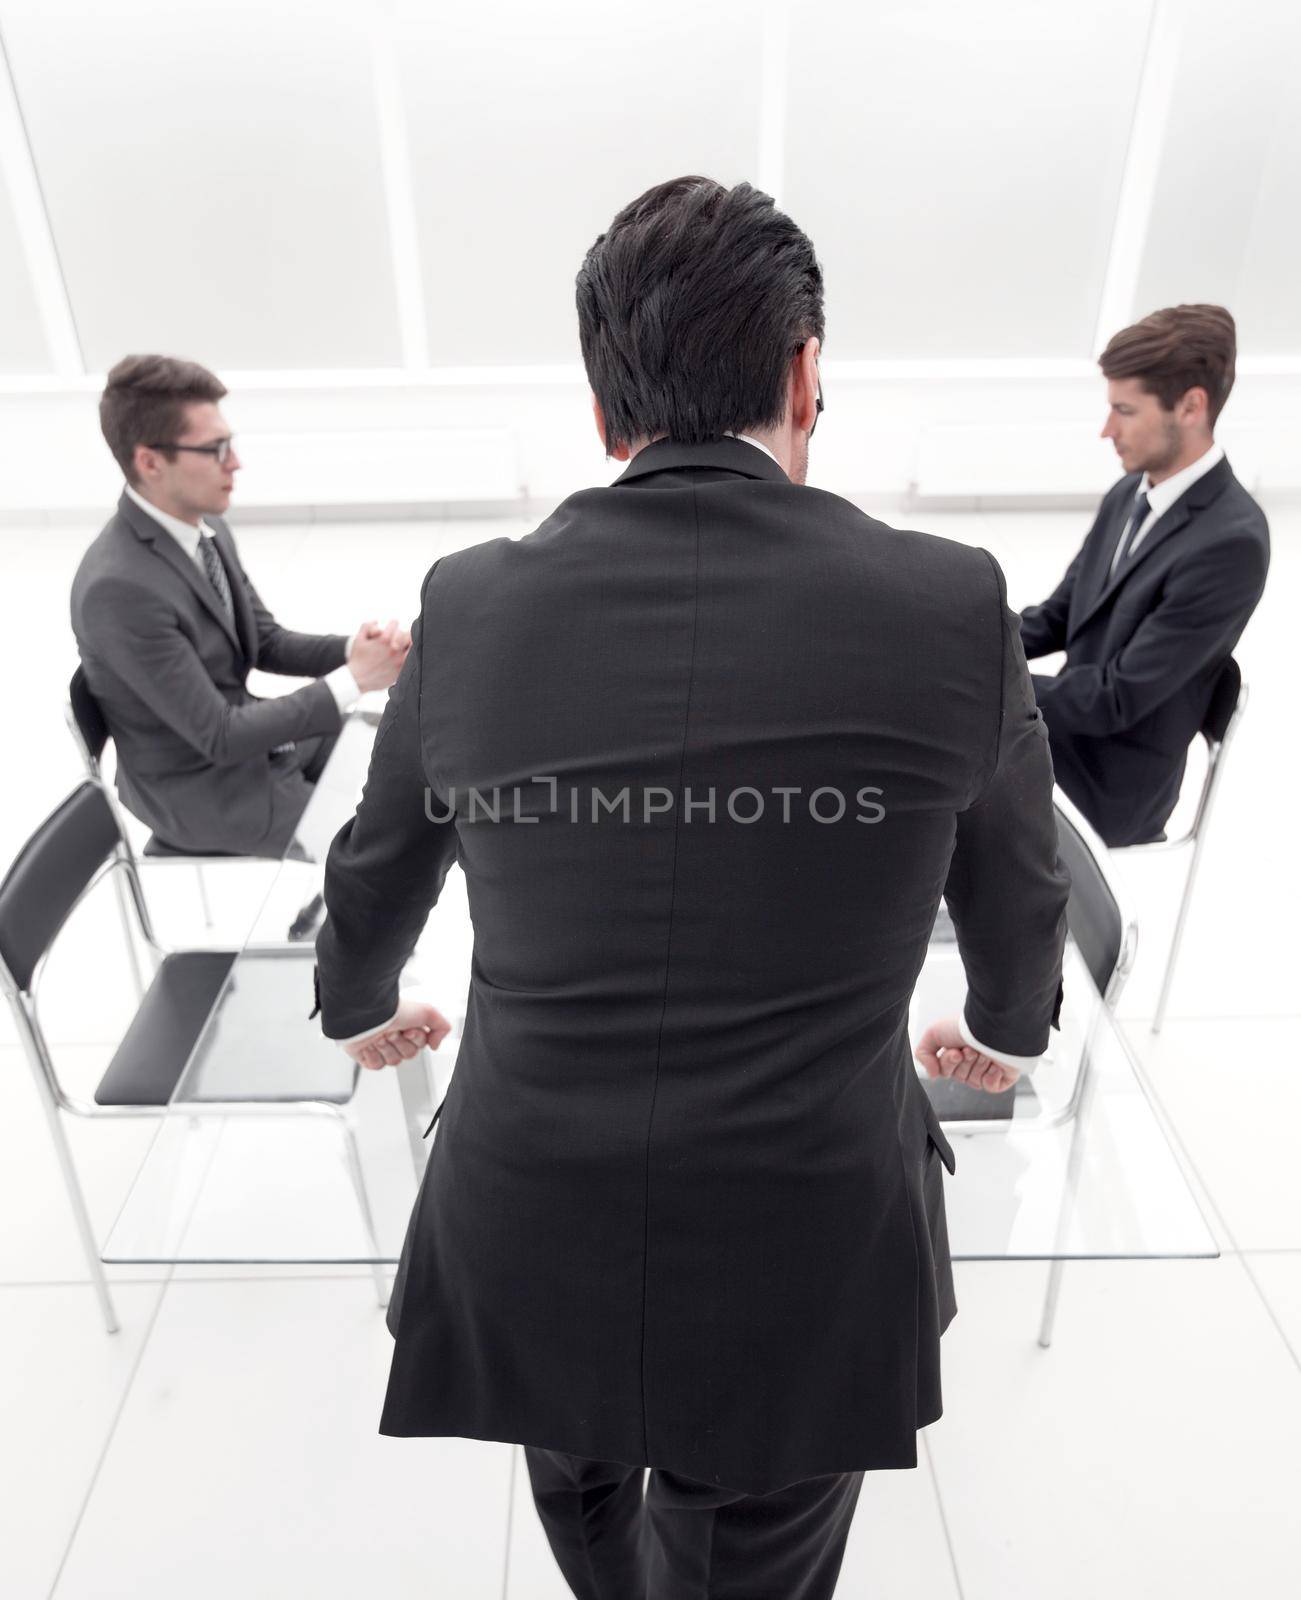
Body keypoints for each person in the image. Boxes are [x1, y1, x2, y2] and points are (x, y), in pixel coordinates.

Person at [314, 177, 1068, 1600]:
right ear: (804, 374)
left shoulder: (468, 603)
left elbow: (375, 866)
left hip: (532, 1206)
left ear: (606, 414)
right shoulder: (948, 599)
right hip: (801, 1234)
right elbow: (1019, 885)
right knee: (747, 1562)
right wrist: (1007, 1026)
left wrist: (357, 1007)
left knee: (584, 1494)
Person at [70, 355, 410, 858]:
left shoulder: (203, 527)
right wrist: (354, 679)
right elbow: (220, 737)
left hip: (255, 742)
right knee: (392, 843)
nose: (235, 463)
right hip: (203, 790)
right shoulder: (117, 590)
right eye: (215, 449)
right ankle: (366, 929)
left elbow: (265, 641)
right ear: (150, 462)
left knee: (406, 752)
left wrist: (358, 652)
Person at [1020, 305, 1269, 847]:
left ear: (1191, 407)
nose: (1107, 430)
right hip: (1064, 734)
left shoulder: (1232, 543)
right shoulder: (1129, 493)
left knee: (925, 756)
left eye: (1125, 411)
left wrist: (985, 688)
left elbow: (1117, 698)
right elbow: (1058, 617)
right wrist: (954, 640)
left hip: (1111, 785)